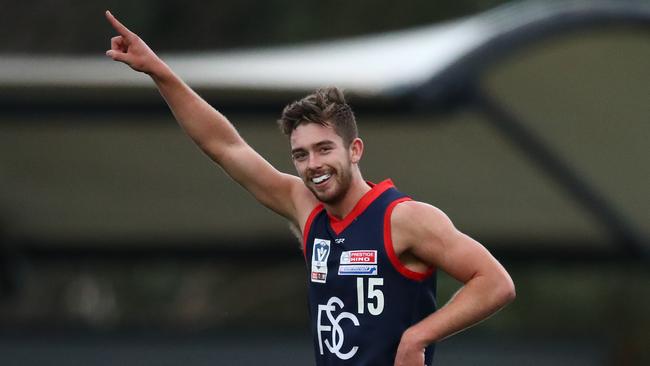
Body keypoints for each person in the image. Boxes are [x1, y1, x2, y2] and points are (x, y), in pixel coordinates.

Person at [105, 10, 515, 366]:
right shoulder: (304, 206)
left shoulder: (403, 217)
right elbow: (225, 146)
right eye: (301, 154)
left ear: (354, 150)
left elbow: (495, 282)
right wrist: (159, 71)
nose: (313, 164)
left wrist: (419, 336)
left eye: (324, 149)